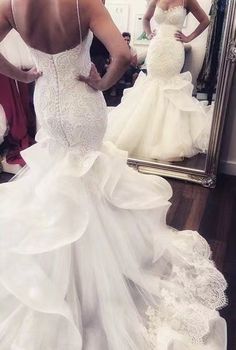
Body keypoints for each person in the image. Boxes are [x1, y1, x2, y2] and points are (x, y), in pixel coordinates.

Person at [0, 0, 227, 349]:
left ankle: (64, 278)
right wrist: (103, 83)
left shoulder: (10, 5)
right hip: (82, 100)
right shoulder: (83, 2)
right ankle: (100, 281)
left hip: (46, 100)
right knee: (91, 180)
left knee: (60, 177)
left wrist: (24, 75)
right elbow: (124, 54)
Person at [106, 0, 213, 162]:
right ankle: (144, 133)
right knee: (152, 84)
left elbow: (205, 20)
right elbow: (146, 19)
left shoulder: (187, 0)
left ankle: (167, 138)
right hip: (156, 48)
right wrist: (149, 34)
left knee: (169, 85)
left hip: (174, 48)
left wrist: (189, 37)